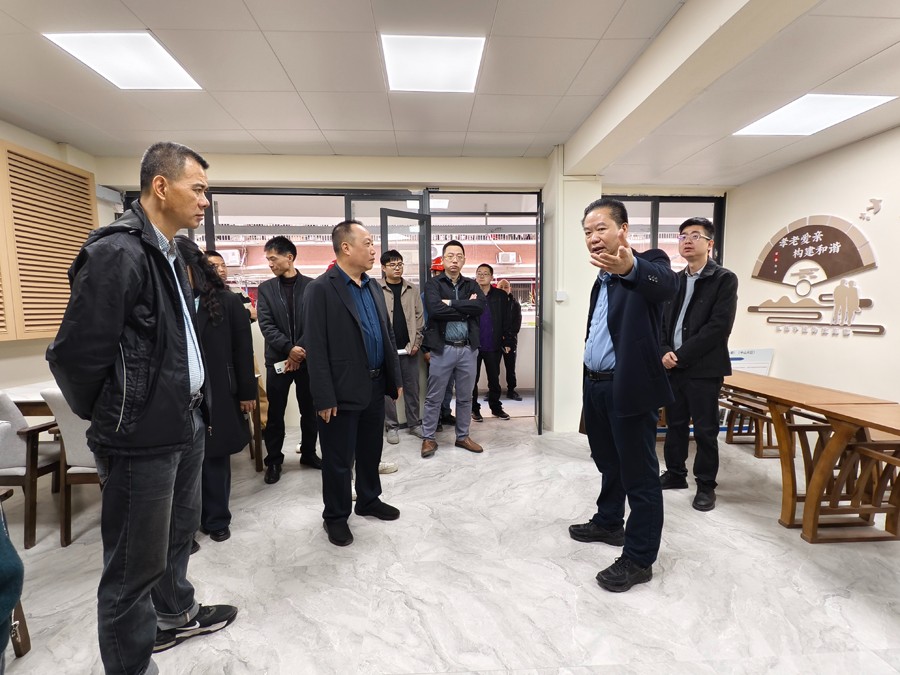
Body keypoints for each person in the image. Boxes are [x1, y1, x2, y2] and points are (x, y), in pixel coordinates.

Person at [46, 142, 237, 674]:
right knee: (132, 567)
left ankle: (176, 613)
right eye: (198, 189)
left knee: (178, 535)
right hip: (141, 435)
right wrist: (120, 415)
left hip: (184, 420)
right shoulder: (118, 252)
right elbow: (75, 356)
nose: (205, 201)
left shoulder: (172, 253)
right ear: (160, 186)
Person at [568, 197, 678, 593]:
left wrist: (630, 267)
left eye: (601, 228)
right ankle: (609, 521)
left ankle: (639, 558)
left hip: (627, 386)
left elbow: (667, 285)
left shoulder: (648, 263)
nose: (593, 237)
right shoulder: (601, 280)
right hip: (595, 384)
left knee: (639, 474)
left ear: (623, 230)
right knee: (607, 460)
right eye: (587, 232)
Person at [303, 220, 402, 547]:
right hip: (340, 392)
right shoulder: (320, 289)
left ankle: (369, 499)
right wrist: (324, 397)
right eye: (368, 243)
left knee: (371, 451)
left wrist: (394, 378)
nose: (374, 250)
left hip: (374, 386)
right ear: (346, 247)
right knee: (338, 460)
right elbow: (315, 347)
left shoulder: (372, 286)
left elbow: (387, 335)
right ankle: (335, 516)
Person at [176, 237, 257, 541]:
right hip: (177, 394)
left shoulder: (227, 301)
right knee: (181, 464)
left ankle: (217, 518)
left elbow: (242, 351)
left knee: (214, 458)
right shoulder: (168, 300)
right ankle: (184, 528)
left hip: (218, 391)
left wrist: (247, 393)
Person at [659, 217, 738, 512]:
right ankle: (675, 473)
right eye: (682, 236)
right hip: (673, 367)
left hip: (704, 369)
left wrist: (681, 355)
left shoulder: (723, 279)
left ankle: (705, 486)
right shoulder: (675, 281)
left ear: (710, 243)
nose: (687, 241)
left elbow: (718, 327)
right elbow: (662, 323)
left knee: (705, 430)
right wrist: (664, 350)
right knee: (675, 424)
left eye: (695, 235)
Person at [256, 235, 321, 484]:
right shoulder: (266, 289)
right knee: (275, 413)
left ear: (289, 257)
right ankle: (274, 460)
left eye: (273, 258)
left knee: (310, 410)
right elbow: (266, 325)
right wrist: (289, 349)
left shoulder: (312, 286)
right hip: (278, 360)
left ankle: (309, 453)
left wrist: (299, 350)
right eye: (268, 259)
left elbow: (315, 322)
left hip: (306, 360)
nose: (270, 264)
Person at [420, 240, 485, 459]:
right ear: (443, 259)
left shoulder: (471, 285)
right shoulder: (433, 284)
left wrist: (449, 303)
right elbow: (434, 310)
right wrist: (466, 308)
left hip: (467, 349)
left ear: (464, 259)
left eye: (459, 256)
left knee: (465, 397)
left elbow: (480, 307)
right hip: (442, 349)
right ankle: (428, 438)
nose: (454, 260)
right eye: (450, 256)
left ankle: (462, 436)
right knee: (434, 397)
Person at [205, 249, 269, 432]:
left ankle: (262, 428)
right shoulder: (199, 296)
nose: (221, 270)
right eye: (214, 266)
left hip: (240, 349)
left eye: (223, 265)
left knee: (257, 391)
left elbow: (254, 313)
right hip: (215, 356)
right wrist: (241, 314)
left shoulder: (235, 293)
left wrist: (241, 314)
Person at [378, 249, 425, 443]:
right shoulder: (375, 289)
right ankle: (391, 427)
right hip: (386, 350)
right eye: (392, 265)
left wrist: (416, 343)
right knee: (389, 391)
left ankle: (414, 424)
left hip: (409, 349)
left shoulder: (412, 289)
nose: (397, 268)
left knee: (412, 388)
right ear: (383, 268)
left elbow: (419, 318)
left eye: (400, 264)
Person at [471, 264, 512, 422]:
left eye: (485, 273)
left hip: (493, 344)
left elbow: (507, 320)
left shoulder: (500, 296)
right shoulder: (470, 294)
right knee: (472, 380)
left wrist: (508, 340)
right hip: (474, 345)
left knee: (494, 380)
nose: (482, 276)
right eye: (479, 273)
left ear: (491, 277)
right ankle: (474, 409)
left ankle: (496, 408)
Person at [496, 278, 523, 401]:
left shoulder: (515, 304)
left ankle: (511, 390)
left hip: (510, 340)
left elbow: (516, 324)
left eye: (505, 287)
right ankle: (493, 391)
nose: (503, 289)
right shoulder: (492, 303)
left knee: (510, 367)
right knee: (493, 368)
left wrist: (507, 337)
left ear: (510, 289)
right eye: (500, 287)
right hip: (494, 340)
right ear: (496, 288)